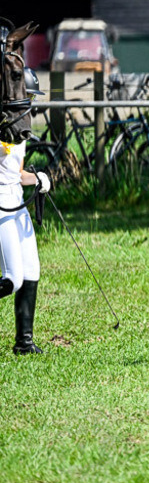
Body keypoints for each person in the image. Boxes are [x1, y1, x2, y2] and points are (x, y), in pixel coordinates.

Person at [1, 68, 51, 354]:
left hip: (17, 202)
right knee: (12, 278)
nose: (29, 103)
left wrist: (39, 178)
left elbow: (16, 174)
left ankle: (24, 342)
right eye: (26, 97)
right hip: (1, 206)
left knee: (32, 270)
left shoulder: (18, 134)